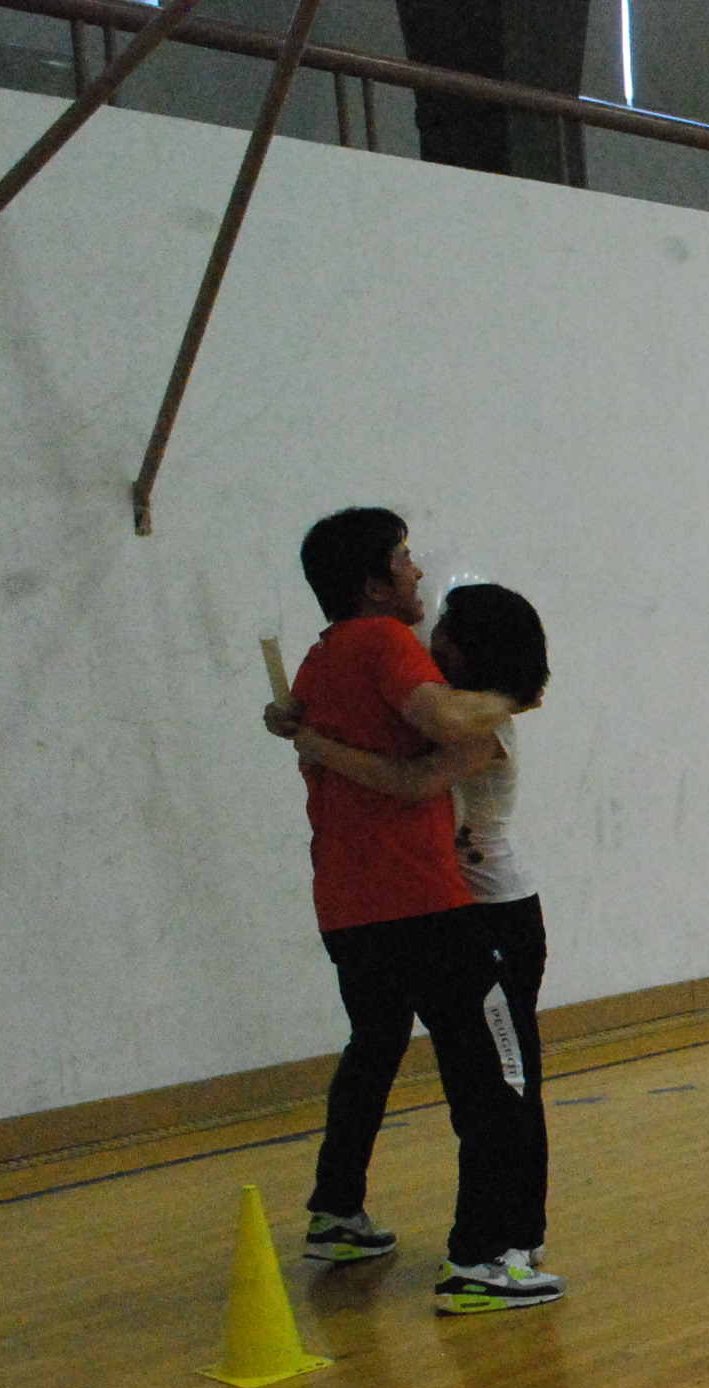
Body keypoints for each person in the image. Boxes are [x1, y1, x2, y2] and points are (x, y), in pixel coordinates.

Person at [268, 510, 558, 1312]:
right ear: (373, 584)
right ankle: (483, 1251)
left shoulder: (461, 713)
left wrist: (312, 740)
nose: (419, 575)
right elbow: (407, 756)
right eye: (404, 559)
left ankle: (509, 1234)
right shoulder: (391, 663)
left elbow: (412, 774)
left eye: (449, 633)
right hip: (430, 908)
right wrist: (305, 731)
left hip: (475, 910)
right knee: (487, 1076)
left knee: (497, 1074)